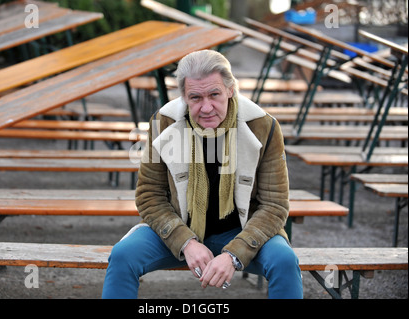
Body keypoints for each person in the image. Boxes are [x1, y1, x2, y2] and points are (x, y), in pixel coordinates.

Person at [101, 50, 303, 299]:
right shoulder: (162, 122)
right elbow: (148, 195)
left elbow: (274, 205)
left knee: (284, 260)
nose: (206, 107)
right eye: (195, 97)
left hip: (241, 229)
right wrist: (185, 241)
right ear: (184, 97)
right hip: (179, 226)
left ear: (230, 89)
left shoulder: (264, 126)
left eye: (214, 94)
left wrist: (234, 254)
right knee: (122, 256)